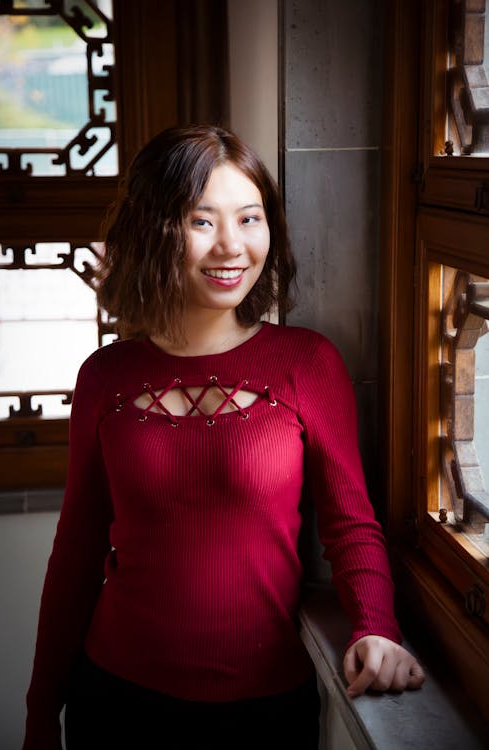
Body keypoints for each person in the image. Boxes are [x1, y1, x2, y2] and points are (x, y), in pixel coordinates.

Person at [23, 124, 424, 750]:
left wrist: (376, 627)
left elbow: (351, 525)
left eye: (250, 218)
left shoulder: (307, 363)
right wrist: (40, 714)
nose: (231, 247)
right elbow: (75, 553)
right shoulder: (106, 376)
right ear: (153, 230)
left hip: (263, 710)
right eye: (201, 222)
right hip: (115, 700)